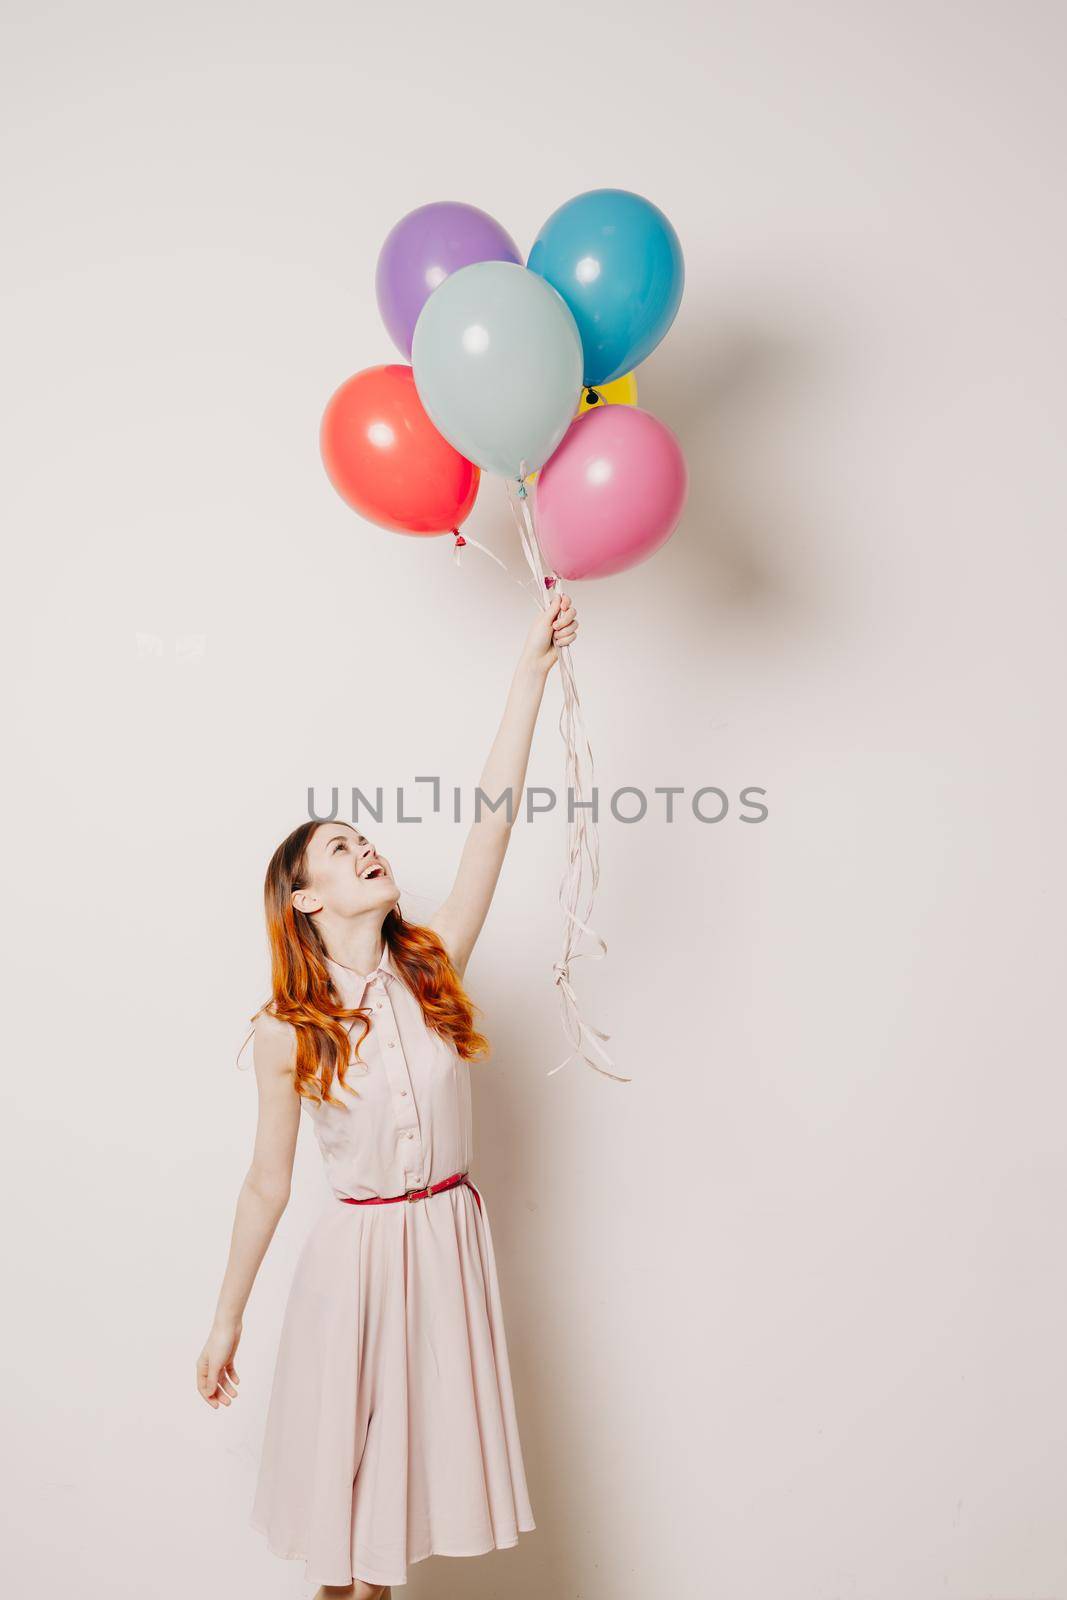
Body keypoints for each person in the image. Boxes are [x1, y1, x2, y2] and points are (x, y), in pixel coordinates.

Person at [196, 590, 579, 1599]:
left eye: (362, 835)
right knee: (347, 1525)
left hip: (443, 1251)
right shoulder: (285, 1032)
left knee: (390, 1542)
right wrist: (227, 1318)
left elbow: (491, 828)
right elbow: (265, 1187)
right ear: (305, 900)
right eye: (336, 846)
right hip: (355, 1269)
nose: (364, 845)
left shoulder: (432, 963)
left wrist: (529, 672)